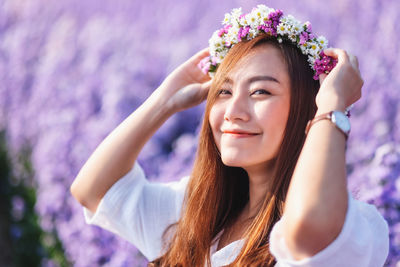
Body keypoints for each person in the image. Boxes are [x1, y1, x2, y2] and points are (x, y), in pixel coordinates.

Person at [70, 5, 389, 267]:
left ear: (308, 108)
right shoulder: (199, 213)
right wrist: (163, 102)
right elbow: (95, 191)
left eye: (260, 91)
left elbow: (308, 228)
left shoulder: (356, 226)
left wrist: (332, 106)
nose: (233, 110)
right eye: (223, 91)